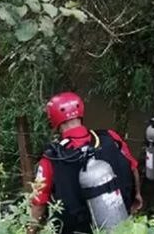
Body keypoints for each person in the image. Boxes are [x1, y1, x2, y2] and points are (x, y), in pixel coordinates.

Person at [29, 92, 142, 234]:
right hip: (119, 224)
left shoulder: (51, 158)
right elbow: (133, 168)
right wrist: (137, 195)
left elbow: (39, 202)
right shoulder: (111, 137)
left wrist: (30, 230)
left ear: (53, 119)